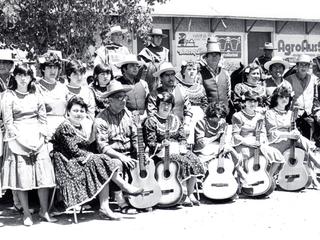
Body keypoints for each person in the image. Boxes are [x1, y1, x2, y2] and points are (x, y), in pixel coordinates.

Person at [51, 96, 143, 220]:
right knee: (101, 161)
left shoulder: (80, 126)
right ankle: (123, 187)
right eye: (75, 111)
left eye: (82, 111)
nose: (79, 114)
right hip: (68, 163)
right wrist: (91, 156)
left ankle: (105, 206)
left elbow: (84, 146)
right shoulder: (65, 127)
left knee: (102, 162)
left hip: (79, 159)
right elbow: (73, 151)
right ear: (68, 112)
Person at [1, 63, 56, 226]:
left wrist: (41, 138)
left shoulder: (36, 95)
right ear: (15, 77)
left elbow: (43, 119)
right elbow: (8, 122)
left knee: (43, 177)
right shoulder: (9, 96)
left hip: (37, 137)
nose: (23, 79)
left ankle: (44, 211)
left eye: (26, 75)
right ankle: (26, 213)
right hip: (18, 139)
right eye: (20, 75)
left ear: (31, 77)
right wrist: (21, 142)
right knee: (22, 178)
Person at [143, 92, 205, 206]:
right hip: (160, 153)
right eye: (163, 104)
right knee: (182, 161)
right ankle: (183, 193)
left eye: (169, 104)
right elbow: (150, 142)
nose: (166, 107)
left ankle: (191, 193)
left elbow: (182, 137)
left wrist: (182, 146)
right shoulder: (151, 121)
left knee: (194, 159)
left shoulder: (175, 119)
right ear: (158, 105)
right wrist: (161, 144)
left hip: (177, 149)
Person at [94, 80, 140, 214]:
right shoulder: (101, 119)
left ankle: (140, 199)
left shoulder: (129, 115)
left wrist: (141, 154)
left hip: (129, 152)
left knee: (143, 161)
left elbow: (135, 137)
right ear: (110, 100)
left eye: (125, 97)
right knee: (117, 163)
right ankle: (121, 202)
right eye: (119, 98)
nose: (123, 101)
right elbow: (102, 146)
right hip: (112, 155)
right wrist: (121, 157)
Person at [265, 86, 320, 187]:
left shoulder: (290, 113)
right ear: (276, 98)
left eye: (287, 97)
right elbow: (271, 132)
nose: (284, 99)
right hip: (276, 142)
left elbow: (293, 129)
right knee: (302, 143)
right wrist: (289, 135)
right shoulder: (270, 113)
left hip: (291, 140)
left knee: (300, 140)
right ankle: (317, 165)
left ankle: (311, 174)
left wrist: (296, 133)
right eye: (281, 97)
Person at [231, 90, 284, 181]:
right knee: (244, 157)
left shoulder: (259, 116)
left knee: (277, 155)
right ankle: (245, 181)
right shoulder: (238, 116)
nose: (253, 103)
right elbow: (236, 135)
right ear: (244, 102)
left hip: (258, 142)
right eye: (250, 101)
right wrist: (248, 143)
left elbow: (263, 132)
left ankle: (268, 178)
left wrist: (261, 141)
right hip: (244, 143)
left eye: (255, 101)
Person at [193, 102, 250, 187]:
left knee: (227, 150)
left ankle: (231, 178)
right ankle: (241, 174)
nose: (220, 118)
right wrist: (216, 136)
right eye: (218, 116)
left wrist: (222, 138)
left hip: (217, 146)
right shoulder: (201, 123)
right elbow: (201, 142)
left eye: (222, 116)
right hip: (203, 149)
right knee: (228, 149)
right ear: (211, 114)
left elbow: (223, 139)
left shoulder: (222, 122)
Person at [147, 62, 192, 137]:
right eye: (167, 75)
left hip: (181, 131)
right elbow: (152, 114)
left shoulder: (182, 90)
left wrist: (186, 124)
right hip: (161, 133)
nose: (170, 78)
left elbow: (188, 110)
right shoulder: (154, 95)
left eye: (172, 74)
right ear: (161, 78)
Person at [285, 54, 320, 140]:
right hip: (294, 117)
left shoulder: (313, 79)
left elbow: (315, 98)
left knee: (308, 142)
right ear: (296, 66)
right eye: (301, 64)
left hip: (308, 116)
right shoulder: (289, 79)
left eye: (306, 65)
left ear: (309, 67)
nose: (303, 67)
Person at [36, 51, 68, 138]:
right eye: (49, 67)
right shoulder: (36, 87)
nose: (53, 71)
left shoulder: (63, 87)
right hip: (44, 127)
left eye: (55, 67)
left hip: (63, 127)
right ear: (43, 69)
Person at [176, 60, 207, 146]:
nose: (192, 72)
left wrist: (204, 115)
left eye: (194, 69)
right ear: (184, 72)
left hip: (199, 117)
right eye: (189, 69)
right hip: (185, 116)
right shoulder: (179, 87)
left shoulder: (200, 87)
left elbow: (205, 103)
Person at [199, 37, 231, 113]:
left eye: (217, 55)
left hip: (223, 113)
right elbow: (200, 96)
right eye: (211, 55)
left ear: (220, 57)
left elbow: (228, 94)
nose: (214, 57)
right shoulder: (200, 74)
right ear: (206, 58)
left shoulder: (225, 73)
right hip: (207, 114)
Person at [138, 28, 170, 93]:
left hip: (164, 80)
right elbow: (143, 69)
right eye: (156, 37)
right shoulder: (146, 51)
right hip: (152, 82)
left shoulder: (165, 51)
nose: (159, 39)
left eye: (160, 37)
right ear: (152, 38)